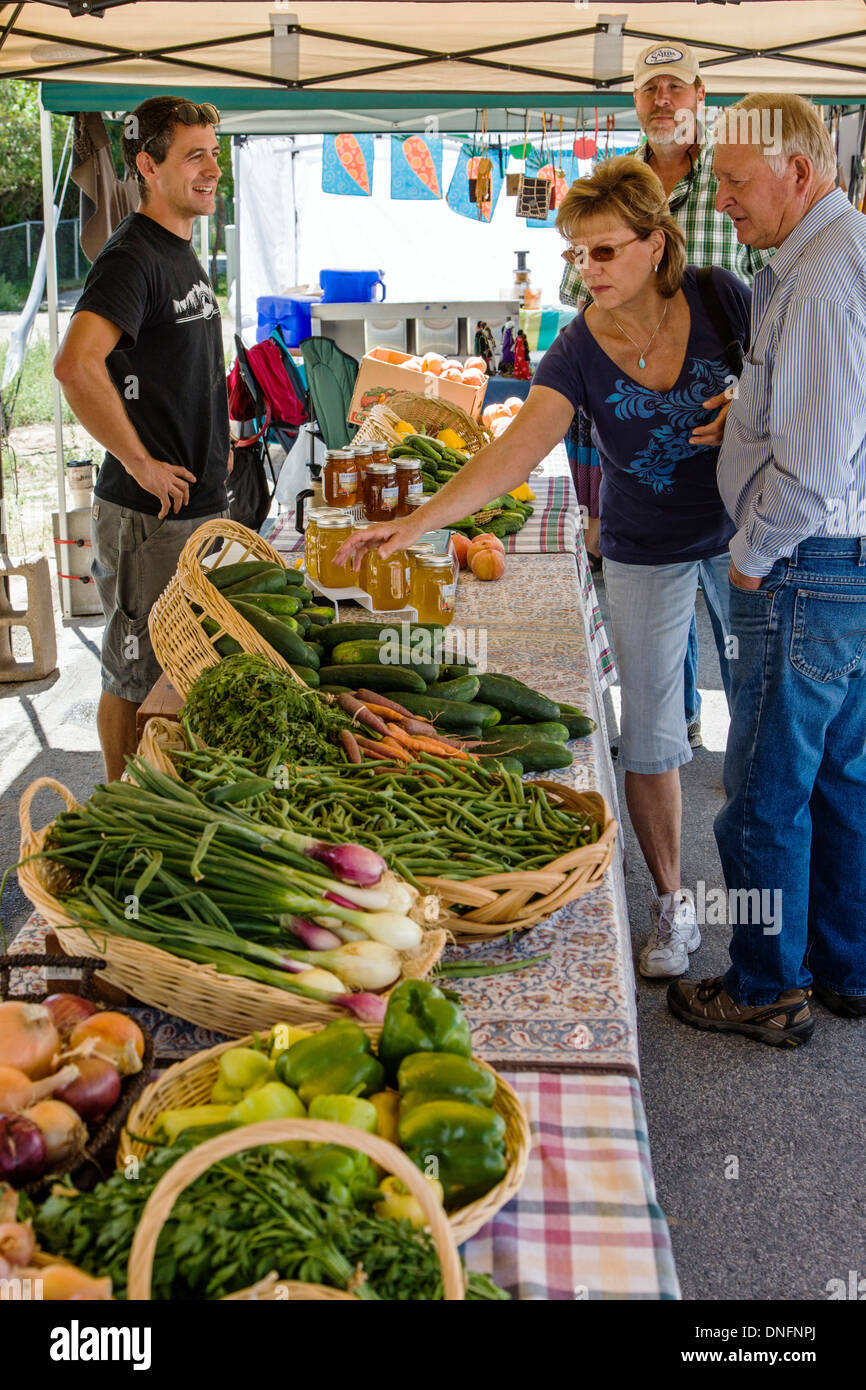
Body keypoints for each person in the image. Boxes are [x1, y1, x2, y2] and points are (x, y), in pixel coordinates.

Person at [336, 155, 751, 982]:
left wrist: (748, 403)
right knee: (652, 739)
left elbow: (798, 374)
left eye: (603, 252)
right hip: (644, 549)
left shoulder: (720, 297)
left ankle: (775, 915)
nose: (586, 270)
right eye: (576, 254)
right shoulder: (575, 350)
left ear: (656, 243)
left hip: (750, 536)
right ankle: (673, 907)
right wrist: (416, 522)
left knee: (766, 722)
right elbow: (515, 452)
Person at [667, 94, 866, 1046]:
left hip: (805, 564)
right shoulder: (828, 254)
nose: (727, 202)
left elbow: (819, 463)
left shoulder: (821, 277)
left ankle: (761, 984)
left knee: (760, 792)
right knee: (842, 777)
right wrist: (754, 403)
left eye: (739, 184)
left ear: (797, 168)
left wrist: (752, 557)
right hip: (845, 563)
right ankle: (846, 966)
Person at [561, 40, 771, 749]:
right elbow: (579, 296)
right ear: (635, 101)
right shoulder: (615, 183)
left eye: (674, 89)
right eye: (650, 90)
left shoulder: (732, 180)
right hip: (645, 444)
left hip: (726, 442)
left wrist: (751, 394)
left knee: (739, 618)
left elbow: (768, 305)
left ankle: (746, 739)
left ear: (699, 96)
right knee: (659, 646)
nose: (662, 101)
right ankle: (674, 728)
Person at [54, 96, 231, 783]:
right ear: (146, 167)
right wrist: (141, 461)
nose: (212, 168)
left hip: (190, 509)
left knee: (171, 670)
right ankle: (122, 813)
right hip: (146, 515)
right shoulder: (132, 256)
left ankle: (156, 800)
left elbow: (166, 369)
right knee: (135, 673)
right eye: (194, 155)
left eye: (215, 152)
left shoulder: (179, 248)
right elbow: (74, 365)